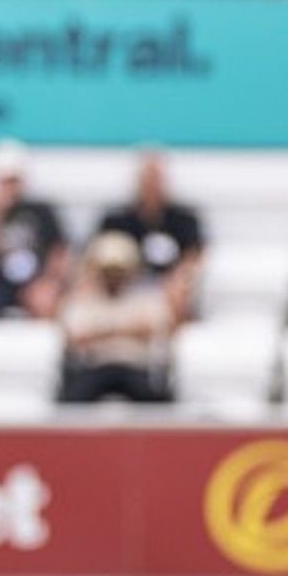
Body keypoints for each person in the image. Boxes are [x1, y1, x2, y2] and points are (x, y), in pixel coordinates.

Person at [58, 231, 174, 403]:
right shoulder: (82, 300)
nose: (113, 277)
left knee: (158, 400)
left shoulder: (147, 299)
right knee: (71, 399)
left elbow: (155, 330)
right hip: (94, 369)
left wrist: (101, 332)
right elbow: (75, 338)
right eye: (108, 271)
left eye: (118, 271)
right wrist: (127, 330)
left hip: (135, 369)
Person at [0, 139, 69, 321]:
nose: (10, 186)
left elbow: (59, 252)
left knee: (46, 301)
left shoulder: (42, 211)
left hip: (34, 283)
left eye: (14, 180)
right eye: (5, 181)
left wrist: (49, 282)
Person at [97, 150, 204, 320]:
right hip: (127, 286)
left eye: (156, 180)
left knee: (180, 291)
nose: (152, 186)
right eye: (147, 180)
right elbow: (97, 255)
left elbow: (195, 255)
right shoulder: (117, 221)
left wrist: (178, 279)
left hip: (168, 287)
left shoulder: (184, 220)